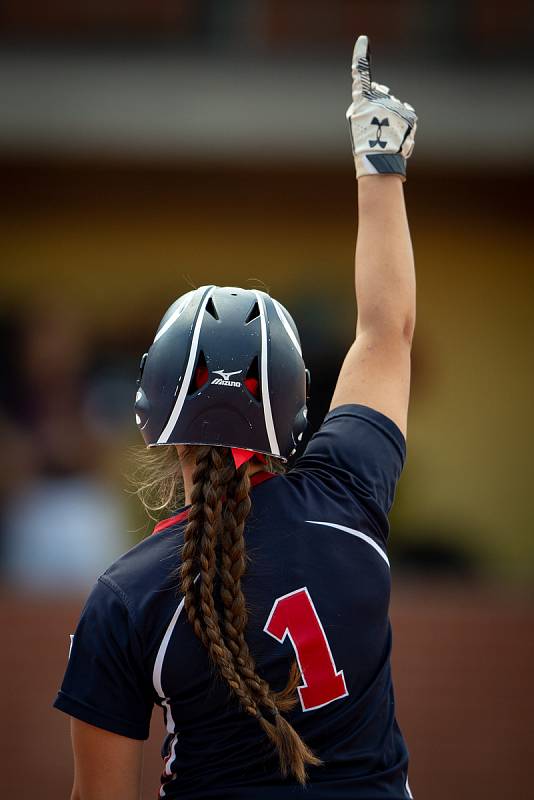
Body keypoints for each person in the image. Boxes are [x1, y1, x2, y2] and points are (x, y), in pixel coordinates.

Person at [54, 35, 418, 799]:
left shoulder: (128, 595)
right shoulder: (347, 494)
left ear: (153, 416)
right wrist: (378, 159)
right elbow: (388, 331)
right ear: (294, 415)